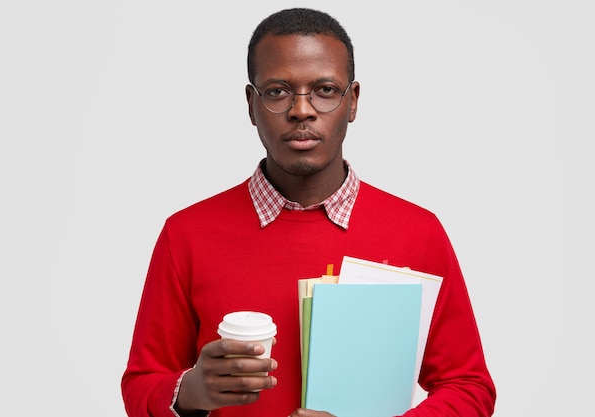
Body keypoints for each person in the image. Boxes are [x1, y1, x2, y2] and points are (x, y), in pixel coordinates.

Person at [121, 7, 496, 417]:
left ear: (352, 102)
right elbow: (141, 386)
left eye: (325, 89)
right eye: (278, 91)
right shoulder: (186, 234)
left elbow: (469, 386)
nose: (302, 110)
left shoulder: (419, 232)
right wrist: (187, 392)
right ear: (251, 104)